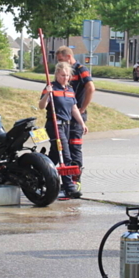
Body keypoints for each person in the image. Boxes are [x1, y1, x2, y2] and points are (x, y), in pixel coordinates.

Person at [39, 61, 88, 199]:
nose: (65, 78)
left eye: (67, 76)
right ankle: (69, 187)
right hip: (55, 125)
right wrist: (47, 95)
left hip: (67, 125)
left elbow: (73, 108)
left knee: (54, 155)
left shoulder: (70, 90)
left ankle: (39, 171)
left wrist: (81, 123)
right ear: (56, 75)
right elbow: (42, 106)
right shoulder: (51, 87)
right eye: (62, 75)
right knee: (65, 155)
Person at [55, 46, 94, 188]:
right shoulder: (62, 75)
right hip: (64, 117)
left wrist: (82, 109)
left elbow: (91, 88)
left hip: (76, 116)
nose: (59, 64)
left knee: (74, 147)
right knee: (61, 149)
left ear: (68, 57)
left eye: (60, 60)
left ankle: (75, 181)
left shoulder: (80, 69)